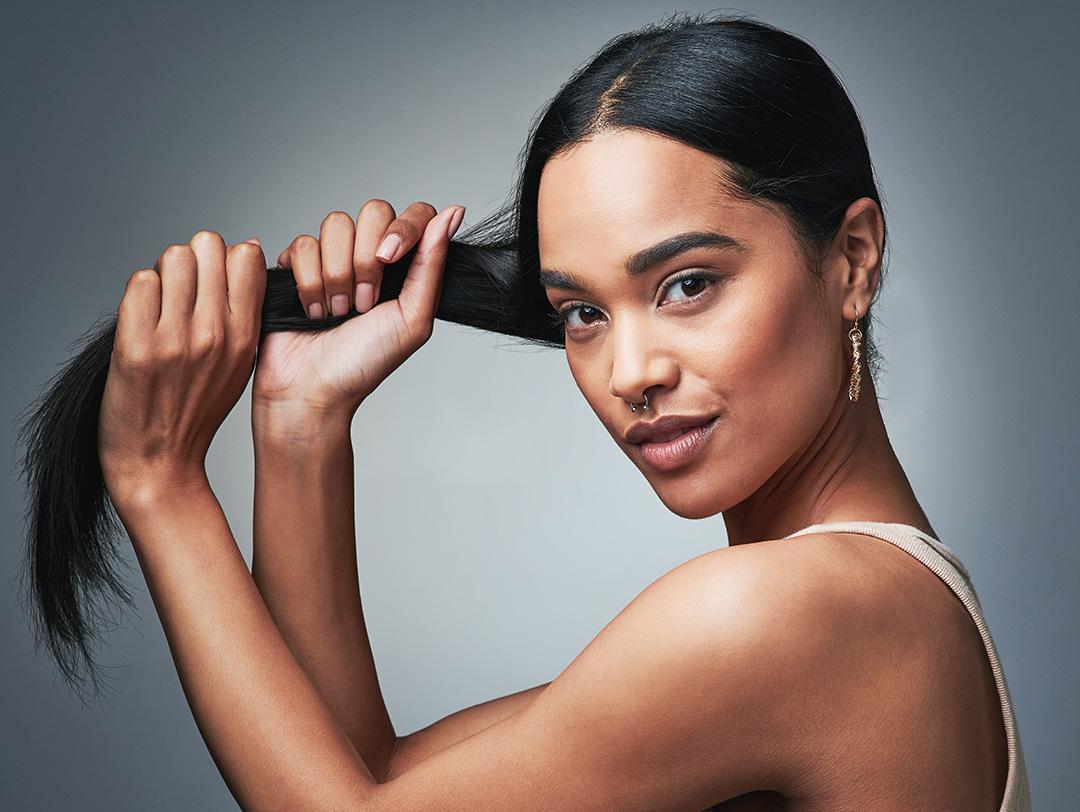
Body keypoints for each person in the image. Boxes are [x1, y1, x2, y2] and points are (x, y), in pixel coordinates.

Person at [17, 11, 1031, 810]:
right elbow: (369, 775)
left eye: (687, 284)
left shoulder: (793, 612)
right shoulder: (886, 600)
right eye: (582, 312)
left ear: (851, 260)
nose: (630, 371)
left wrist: (159, 480)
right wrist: (299, 418)